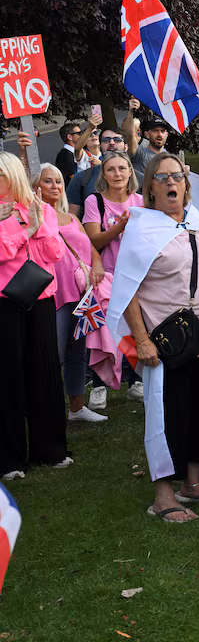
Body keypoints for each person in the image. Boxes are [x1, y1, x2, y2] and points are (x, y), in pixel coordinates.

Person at [109, 153, 199, 522]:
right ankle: (163, 495)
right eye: (162, 178)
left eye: (177, 176)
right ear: (150, 188)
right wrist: (141, 339)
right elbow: (128, 288)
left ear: (186, 183)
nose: (171, 183)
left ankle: (192, 484)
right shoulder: (142, 228)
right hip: (167, 339)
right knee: (168, 414)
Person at [0, 151, 70, 481]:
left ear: (12, 176)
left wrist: (38, 226)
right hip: (4, 302)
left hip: (41, 298)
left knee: (44, 372)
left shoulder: (39, 208)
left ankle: (50, 450)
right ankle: (10, 459)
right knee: (7, 378)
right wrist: (24, 232)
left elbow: (55, 253)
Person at [37, 163, 107, 423]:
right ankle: (47, 410)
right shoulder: (35, 216)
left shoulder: (72, 218)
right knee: (53, 354)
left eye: (57, 181)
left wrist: (97, 267)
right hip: (53, 294)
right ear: (35, 186)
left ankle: (76, 408)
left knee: (78, 351)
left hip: (81, 293)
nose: (55, 186)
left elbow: (90, 250)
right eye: (47, 181)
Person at [83, 151, 143, 277]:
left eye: (122, 168)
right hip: (110, 274)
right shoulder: (94, 201)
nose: (117, 174)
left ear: (130, 172)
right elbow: (94, 241)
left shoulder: (141, 201)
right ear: (104, 175)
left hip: (140, 272)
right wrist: (119, 226)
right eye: (110, 170)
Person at [66, 123, 127, 218]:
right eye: (106, 140)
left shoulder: (139, 179)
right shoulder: (81, 177)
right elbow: (72, 220)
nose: (111, 143)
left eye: (117, 140)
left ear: (126, 146)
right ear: (100, 144)